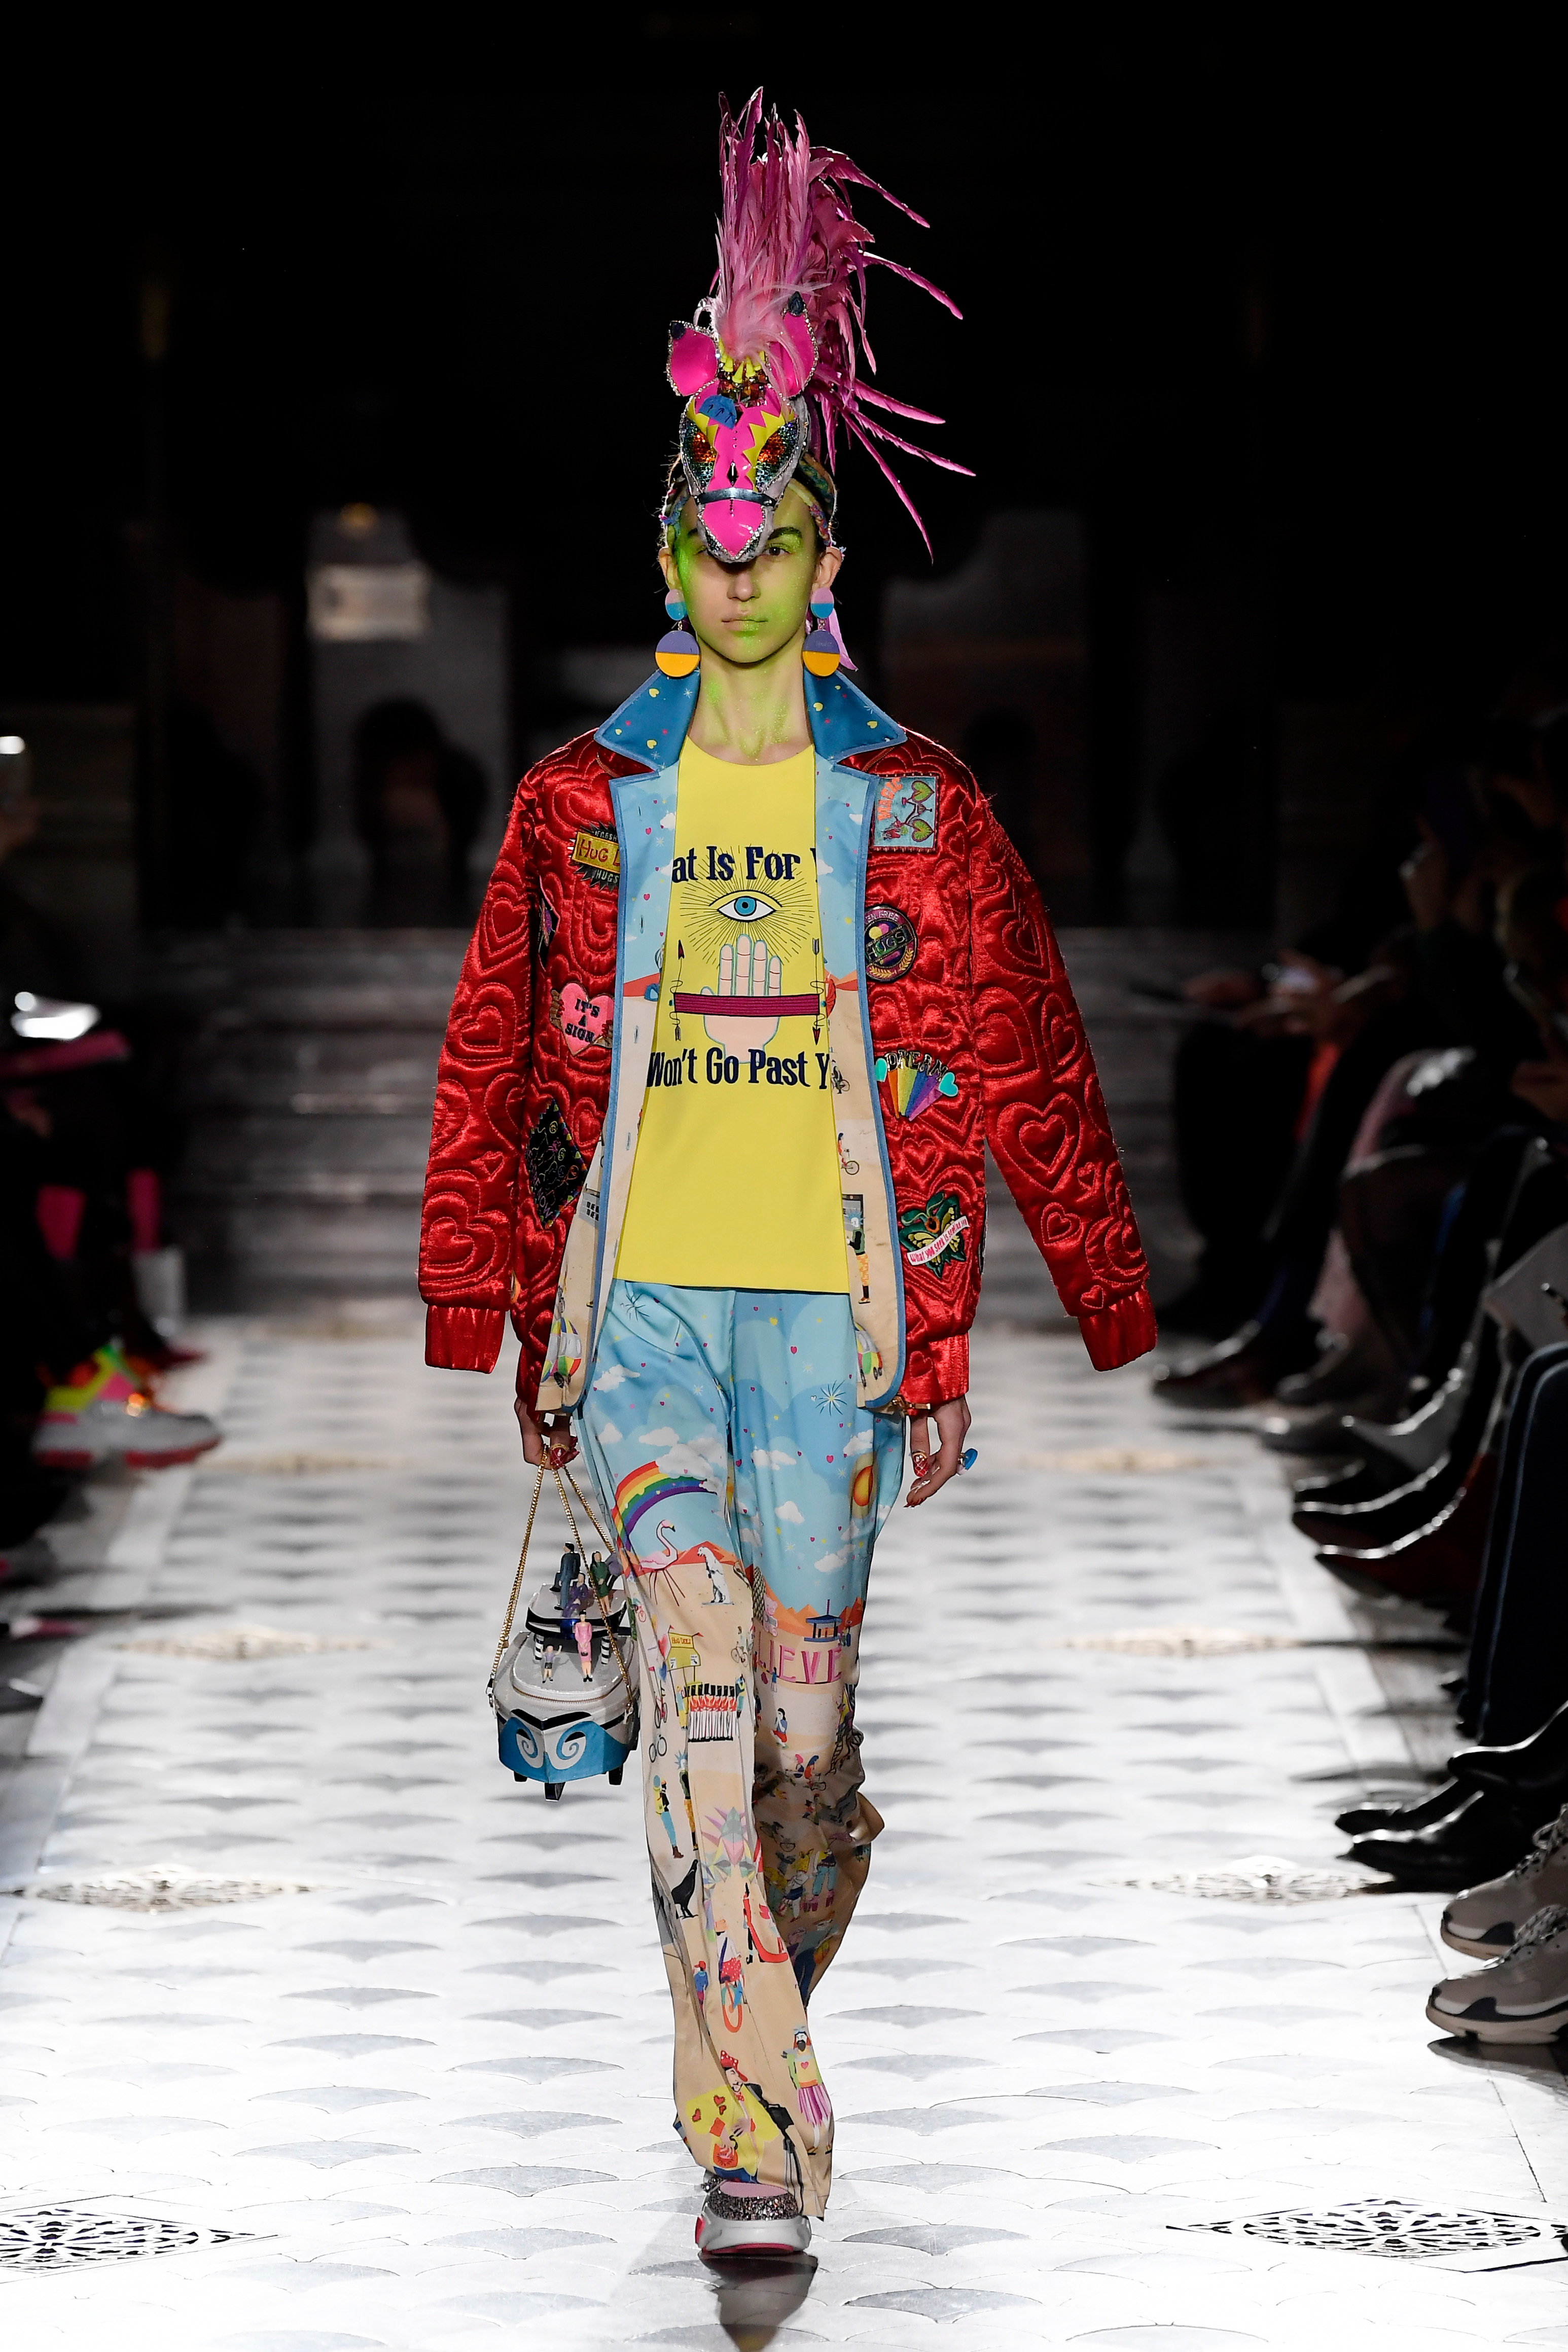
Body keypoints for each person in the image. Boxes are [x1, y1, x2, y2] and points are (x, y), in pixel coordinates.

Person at [418, 91, 1153, 2263]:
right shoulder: (580, 801)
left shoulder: (912, 803)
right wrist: (482, 1295)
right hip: (639, 1310)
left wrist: (1091, 1290)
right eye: (705, 535)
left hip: (839, 1329)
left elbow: (1021, 1046)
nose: (737, 566)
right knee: (707, 1679)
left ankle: (735, 2020)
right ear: (667, 560)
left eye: (772, 535)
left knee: (801, 1758)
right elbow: (490, 1053)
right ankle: (756, 2135)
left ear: (826, 564)